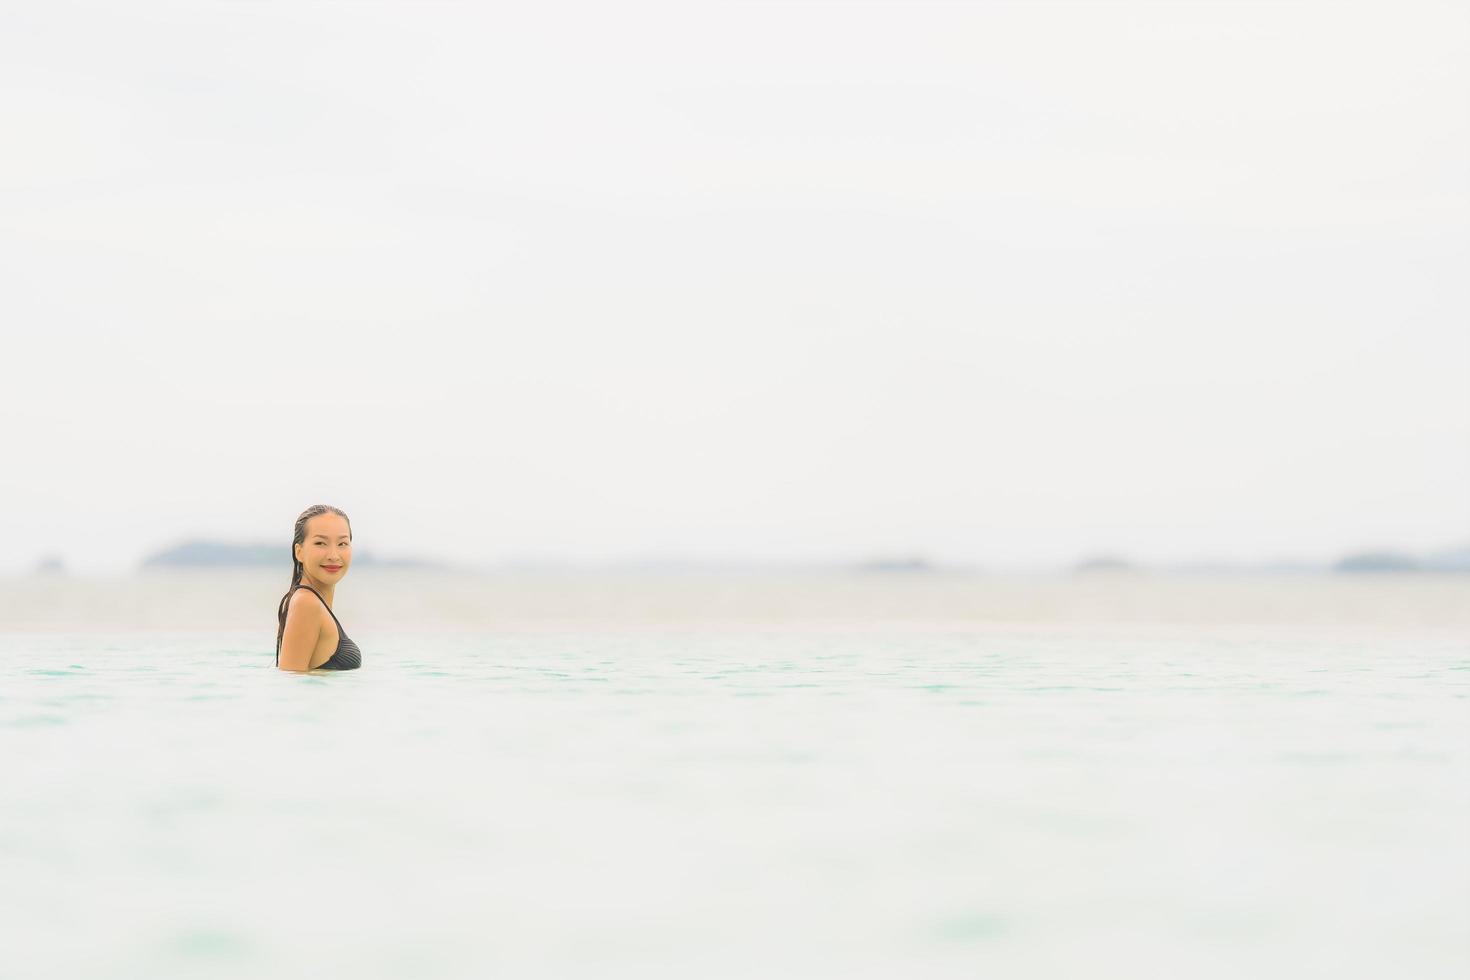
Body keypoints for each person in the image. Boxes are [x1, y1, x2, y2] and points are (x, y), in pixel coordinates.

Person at [275, 504, 363, 672]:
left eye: (342, 543)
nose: (333, 555)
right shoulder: (306, 603)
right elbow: (290, 682)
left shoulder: (311, 602)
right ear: (298, 552)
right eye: (320, 543)